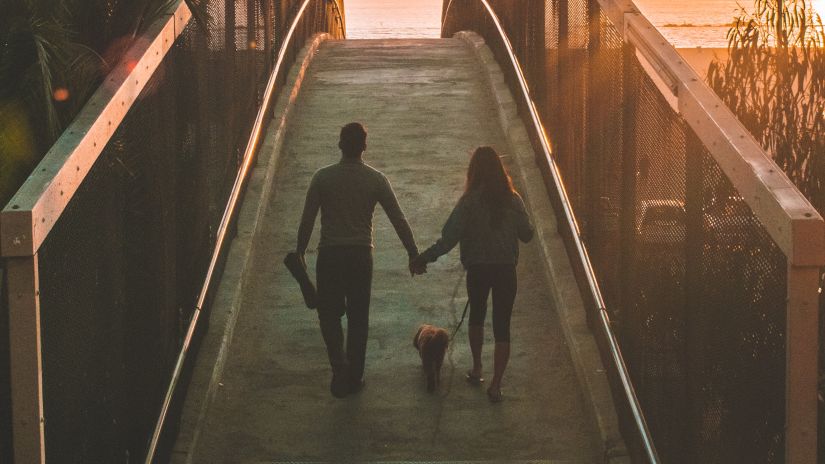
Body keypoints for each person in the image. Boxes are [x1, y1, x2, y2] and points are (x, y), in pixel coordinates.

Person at [296, 122, 419, 398]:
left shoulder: (322, 178)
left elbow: (307, 219)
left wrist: (301, 250)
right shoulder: (376, 179)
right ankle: (355, 376)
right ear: (364, 146)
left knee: (328, 314)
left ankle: (338, 364)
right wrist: (412, 253)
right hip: (361, 255)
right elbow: (398, 219)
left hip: (329, 254)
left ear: (340, 144)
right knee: (358, 317)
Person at [411, 146, 534, 402]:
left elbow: (448, 239)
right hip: (505, 270)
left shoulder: (468, 203)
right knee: (502, 326)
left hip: (477, 269)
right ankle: (496, 385)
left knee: (476, 316)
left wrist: (424, 258)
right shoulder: (513, 200)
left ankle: (477, 368)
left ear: (473, 171)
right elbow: (527, 235)